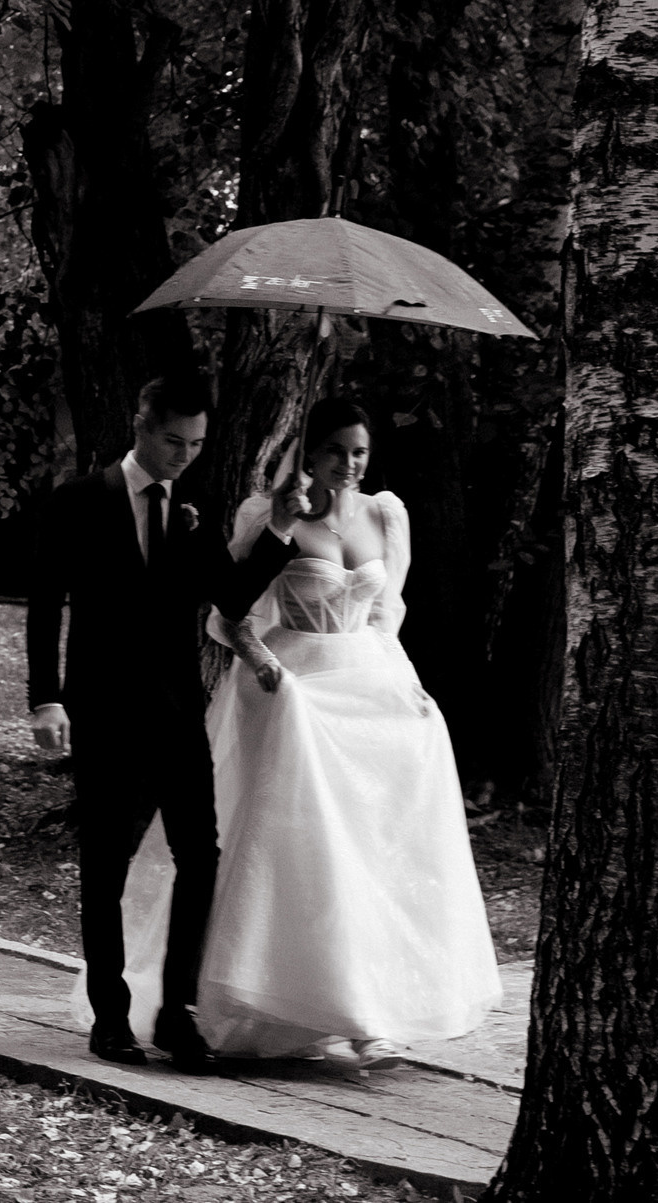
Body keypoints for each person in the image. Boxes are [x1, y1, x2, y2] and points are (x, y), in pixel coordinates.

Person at [107, 397, 502, 1069]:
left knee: (374, 845)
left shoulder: (386, 513)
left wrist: (409, 685)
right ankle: (288, 998)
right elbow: (225, 611)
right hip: (293, 685)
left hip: (366, 685)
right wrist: (263, 662)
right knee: (304, 847)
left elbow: (385, 614)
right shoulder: (269, 512)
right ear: (310, 453)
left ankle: (372, 1006)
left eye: (360, 452)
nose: (349, 464)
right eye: (336, 451)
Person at [27, 372, 303, 1072]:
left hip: (180, 707)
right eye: (174, 440)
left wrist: (281, 525)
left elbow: (232, 594)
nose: (185, 454)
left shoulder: (196, 507)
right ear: (142, 424)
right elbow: (45, 601)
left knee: (201, 855)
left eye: (197, 444)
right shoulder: (81, 499)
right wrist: (46, 697)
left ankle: (176, 1012)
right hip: (105, 704)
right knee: (106, 858)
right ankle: (111, 1016)